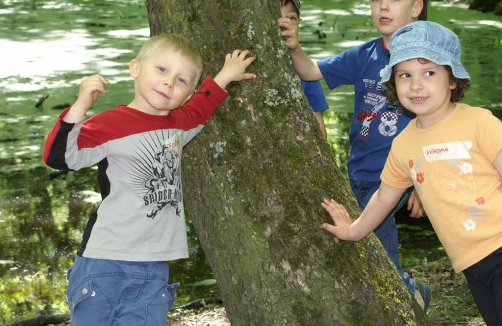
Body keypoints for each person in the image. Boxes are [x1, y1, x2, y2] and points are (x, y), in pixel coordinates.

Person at [42, 33, 256, 326]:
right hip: (104, 261)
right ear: (135, 69)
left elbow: (202, 108)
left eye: (182, 81)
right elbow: (59, 158)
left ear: (188, 92)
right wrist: (80, 106)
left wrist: (224, 76)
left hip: (154, 267)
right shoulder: (108, 124)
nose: (169, 82)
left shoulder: (179, 125)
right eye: (162, 69)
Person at [322, 21, 502, 325]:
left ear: (453, 80)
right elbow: (383, 197)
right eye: (405, 75)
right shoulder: (404, 144)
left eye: (429, 73)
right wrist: (353, 230)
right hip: (471, 264)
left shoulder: (479, 122)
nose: (416, 85)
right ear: (393, 84)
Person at [278, 0, 432, 311]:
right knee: (381, 251)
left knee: (357, 239)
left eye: (393, 0)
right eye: (377, 0)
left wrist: (422, 183)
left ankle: (390, 303)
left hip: (396, 177)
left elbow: (437, 122)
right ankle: (411, 292)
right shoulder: (365, 54)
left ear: (416, 7)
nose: (383, 6)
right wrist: (294, 47)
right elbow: (311, 71)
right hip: (359, 172)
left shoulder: (425, 61)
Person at [279, 0, 330, 139]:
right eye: (278, 15)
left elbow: (319, 128)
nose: (285, 23)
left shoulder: (306, 71)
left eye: (291, 18)